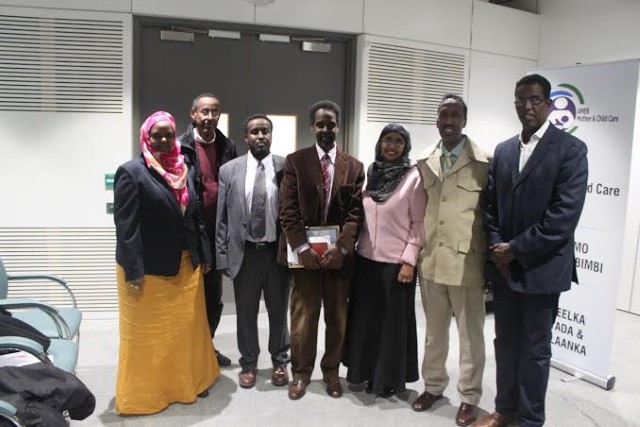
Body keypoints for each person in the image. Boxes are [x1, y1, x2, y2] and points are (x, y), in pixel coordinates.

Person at [473, 74, 588, 427]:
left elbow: (562, 218)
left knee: (535, 351)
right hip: (505, 269)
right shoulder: (504, 150)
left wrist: (515, 249)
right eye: (520, 100)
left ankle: (530, 420)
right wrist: (497, 248)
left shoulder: (571, 150)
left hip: (542, 268)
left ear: (549, 104)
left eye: (535, 100)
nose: (527, 106)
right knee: (506, 343)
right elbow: (490, 207)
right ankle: (504, 410)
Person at [114, 111, 219, 415]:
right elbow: (126, 228)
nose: (163, 140)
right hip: (148, 270)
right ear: (145, 137)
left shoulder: (183, 168)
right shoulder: (131, 172)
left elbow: (194, 216)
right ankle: (147, 395)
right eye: (156, 135)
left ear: (176, 136)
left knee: (186, 332)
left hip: (185, 267)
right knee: (149, 337)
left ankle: (188, 383)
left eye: (168, 134)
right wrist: (134, 270)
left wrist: (204, 254)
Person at [278, 100, 365, 400]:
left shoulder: (354, 167)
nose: (326, 129)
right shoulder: (296, 162)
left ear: (338, 126)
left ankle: (331, 373)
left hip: (338, 259)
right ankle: (301, 373)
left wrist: (342, 248)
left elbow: (355, 214)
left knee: (337, 318)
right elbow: (288, 209)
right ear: (312, 127)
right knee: (303, 317)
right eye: (320, 124)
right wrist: (302, 247)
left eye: (331, 124)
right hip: (305, 257)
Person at [412, 94, 490, 426]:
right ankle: (433, 386)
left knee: (471, 336)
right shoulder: (424, 160)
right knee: (434, 333)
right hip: (432, 260)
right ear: (436, 120)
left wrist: (490, 264)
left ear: (464, 121)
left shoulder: (484, 162)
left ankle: (469, 396)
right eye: (444, 115)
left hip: (467, 262)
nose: (449, 121)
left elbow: (491, 215)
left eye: (455, 115)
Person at [344, 124, 425, 398]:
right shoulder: (371, 174)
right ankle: (363, 372)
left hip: (396, 265)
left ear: (406, 146)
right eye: (387, 140)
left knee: (391, 326)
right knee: (366, 322)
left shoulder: (413, 178)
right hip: (366, 261)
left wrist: (409, 261)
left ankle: (387, 380)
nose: (392, 146)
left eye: (398, 141)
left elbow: (419, 224)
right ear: (379, 143)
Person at [216, 114, 290, 389]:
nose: (260, 136)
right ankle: (248, 363)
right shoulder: (229, 170)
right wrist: (222, 255)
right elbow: (222, 218)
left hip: (276, 253)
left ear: (271, 135)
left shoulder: (287, 167)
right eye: (255, 132)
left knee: (278, 310)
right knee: (246, 312)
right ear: (245, 137)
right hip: (245, 254)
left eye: (265, 131)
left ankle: (280, 361)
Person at [179, 93, 237, 367]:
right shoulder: (180, 147)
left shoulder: (227, 146)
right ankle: (189, 354)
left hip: (217, 235)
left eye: (214, 112)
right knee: (189, 299)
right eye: (204, 111)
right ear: (193, 114)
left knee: (214, 299)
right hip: (190, 235)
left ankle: (206, 348)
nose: (209, 117)